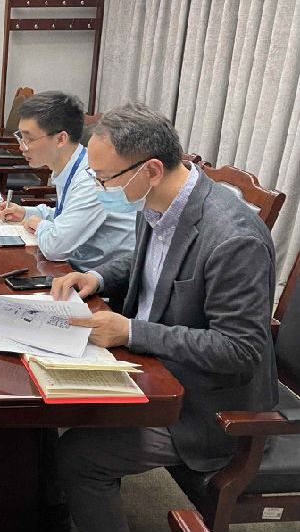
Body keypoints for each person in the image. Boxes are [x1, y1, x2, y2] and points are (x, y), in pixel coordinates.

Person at [50, 102, 278, 532]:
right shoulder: (160, 200)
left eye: (104, 178)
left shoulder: (233, 239)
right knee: (51, 405)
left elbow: (241, 349)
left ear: (151, 169)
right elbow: (149, 262)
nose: (98, 187)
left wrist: (132, 331)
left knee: (78, 457)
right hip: (159, 370)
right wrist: (97, 277)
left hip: (208, 406)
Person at [0, 92, 135, 270]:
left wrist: (40, 224)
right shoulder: (73, 164)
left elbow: (56, 248)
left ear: (61, 139)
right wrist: (26, 213)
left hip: (102, 277)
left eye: (29, 139)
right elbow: (66, 215)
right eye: (20, 137)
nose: (21, 147)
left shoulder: (91, 179)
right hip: (77, 265)